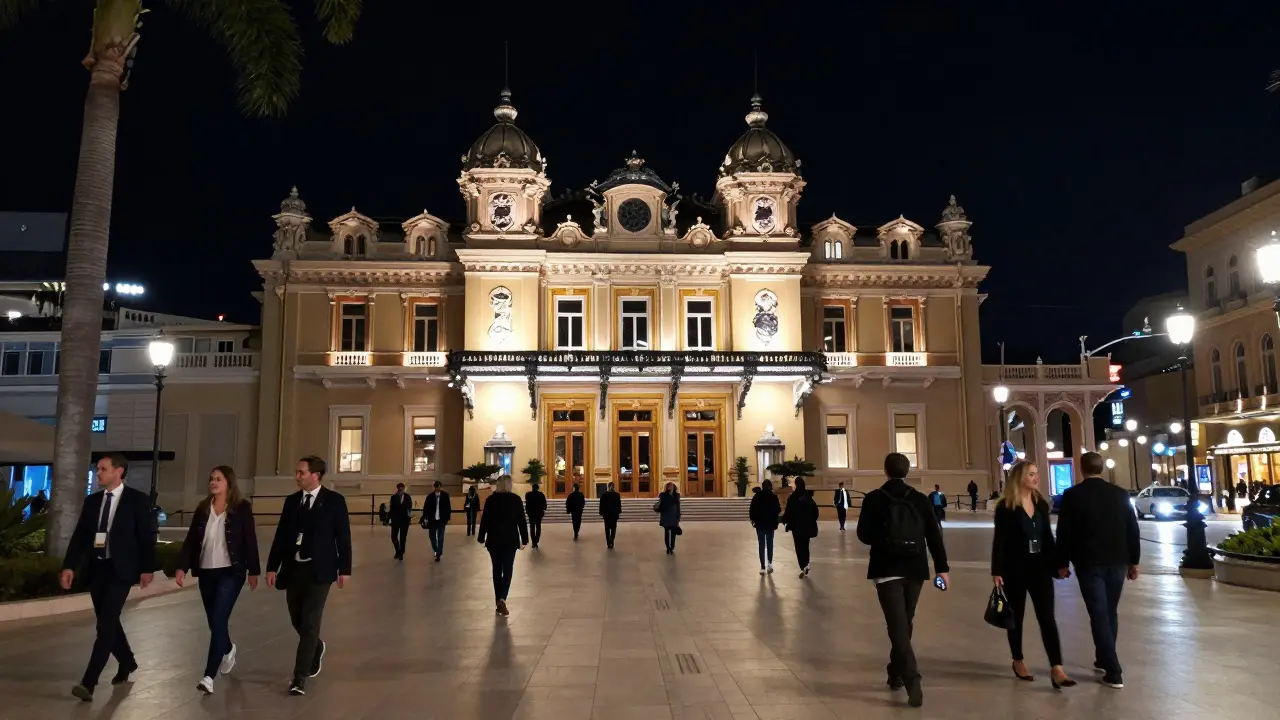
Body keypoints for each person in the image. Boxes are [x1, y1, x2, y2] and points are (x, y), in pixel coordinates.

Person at [856, 453, 949, 709]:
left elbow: (863, 535)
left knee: (898, 626)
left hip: (886, 569)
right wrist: (942, 569)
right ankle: (896, 672)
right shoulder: (919, 499)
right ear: (907, 471)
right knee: (904, 623)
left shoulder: (874, 498)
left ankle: (911, 678)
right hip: (915, 569)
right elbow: (934, 534)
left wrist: (884, 536)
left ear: (885, 470)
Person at [61, 453, 156, 702]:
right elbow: (80, 537)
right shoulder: (92, 502)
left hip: (121, 571)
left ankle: (88, 683)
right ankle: (127, 661)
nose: (98, 472)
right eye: (98, 468)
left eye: (103, 468)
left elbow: (147, 538)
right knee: (109, 622)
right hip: (97, 569)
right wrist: (69, 566)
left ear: (119, 471)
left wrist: (147, 568)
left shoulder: (137, 500)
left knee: (105, 626)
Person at [266, 456, 352, 696]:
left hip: (320, 571)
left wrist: (344, 570)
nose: (297, 477)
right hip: (293, 570)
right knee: (298, 619)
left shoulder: (334, 502)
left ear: (316, 475)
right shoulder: (292, 502)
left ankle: (299, 677)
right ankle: (317, 647)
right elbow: (281, 536)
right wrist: (272, 566)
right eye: (297, 472)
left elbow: (343, 538)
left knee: (310, 621)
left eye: (301, 472)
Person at [1055, 452, 1139, 690]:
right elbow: (1132, 529)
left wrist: (1062, 562)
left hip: (1089, 562)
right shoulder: (1120, 494)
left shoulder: (1073, 496)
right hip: (1117, 561)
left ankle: (1114, 671)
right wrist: (1133, 561)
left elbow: (1065, 532)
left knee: (1099, 613)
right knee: (1109, 611)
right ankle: (1104, 657)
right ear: (1101, 468)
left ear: (1081, 469)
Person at [175, 466, 261, 695]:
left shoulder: (241, 508)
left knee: (220, 619)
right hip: (206, 572)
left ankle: (208, 676)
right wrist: (182, 567)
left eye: (218, 479)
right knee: (215, 623)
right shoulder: (203, 508)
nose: (213, 482)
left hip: (231, 573)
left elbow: (249, 540)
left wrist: (254, 571)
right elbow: (191, 540)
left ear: (228, 483)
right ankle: (229, 649)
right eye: (211, 478)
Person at [991, 461, 1075, 690]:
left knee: (1047, 617)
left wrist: (1059, 564)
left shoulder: (1040, 504)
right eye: (1031, 474)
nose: (1036, 478)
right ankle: (1018, 660)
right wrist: (996, 571)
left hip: (1040, 567)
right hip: (1014, 569)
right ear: (1019, 477)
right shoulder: (1006, 506)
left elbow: (1047, 536)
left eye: (1037, 474)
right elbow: (1000, 540)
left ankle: (1057, 668)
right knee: (1015, 618)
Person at [477, 475, 529, 617]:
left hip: (494, 541)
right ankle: (502, 599)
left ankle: (498, 600)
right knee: (507, 570)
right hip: (509, 541)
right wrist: (525, 538)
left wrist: (481, 537)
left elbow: (485, 520)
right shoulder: (515, 500)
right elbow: (521, 521)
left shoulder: (490, 500)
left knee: (496, 570)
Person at [782, 478, 819, 578]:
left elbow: (788, 512)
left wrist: (785, 521)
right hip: (807, 526)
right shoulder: (808, 497)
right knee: (806, 546)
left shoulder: (793, 497)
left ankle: (802, 566)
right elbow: (815, 512)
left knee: (799, 547)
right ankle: (806, 564)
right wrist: (811, 520)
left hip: (796, 527)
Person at [750, 479, 782, 574]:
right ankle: (770, 563)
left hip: (760, 524)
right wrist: (776, 523)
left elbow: (752, 510)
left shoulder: (757, 496)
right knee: (770, 544)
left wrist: (753, 521)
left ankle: (762, 566)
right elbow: (777, 511)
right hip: (770, 524)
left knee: (761, 544)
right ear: (770, 486)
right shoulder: (773, 497)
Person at [421, 480, 451, 561]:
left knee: (441, 537)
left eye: (439, 487)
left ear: (441, 487)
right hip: (432, 520)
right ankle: (436, 549)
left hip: (441, 520)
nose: (437, 489)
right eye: (436, 487)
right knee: (432, 536)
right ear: (434, 487)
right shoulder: (430, 496)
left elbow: (448, 507)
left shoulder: (445, 495)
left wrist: (447, 517)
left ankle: (438, 553)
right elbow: (426, 508)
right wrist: (425, 518)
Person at [388, 483, 413, 560]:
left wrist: (409, 518)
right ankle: (397, 551)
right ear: (398, 489)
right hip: (395, 520)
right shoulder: (393, 497)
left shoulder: (407, 497)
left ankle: (401, 553)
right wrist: (388, 518)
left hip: (404, 520)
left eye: (402, 488)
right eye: (399, 488)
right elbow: (392, 508)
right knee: (393, 537)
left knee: (403, 537)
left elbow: (409, 507)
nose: (401, 490)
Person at [657, 482, 681, 554]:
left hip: (673, 516)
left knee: (673, 533)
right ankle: (668, 547)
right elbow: (661, 504)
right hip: (666, 516)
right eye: (669, 486)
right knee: (666, 532)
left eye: (671, 486)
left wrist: (678, 517)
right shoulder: (663, 495)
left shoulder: (676, 495)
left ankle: (672, 546)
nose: (670, 488)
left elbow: (678, 507)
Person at [599, 482, 622, 549]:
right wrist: (619, 512)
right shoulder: (617, 495)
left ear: (608, 487)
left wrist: (601, 512)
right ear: (614, 487)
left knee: (607, 529)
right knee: (613, 529)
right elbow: (618, 505)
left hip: (606, 515)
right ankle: (612, 541)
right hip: (614, 514)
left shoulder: (604, 495)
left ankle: (608, 543)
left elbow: (601, 505)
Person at [525, 483, 547, 549]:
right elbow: (544, 504)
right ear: (538, 488)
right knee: (538, 527)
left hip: (531, 513)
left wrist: (527, 511)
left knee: (532, 527)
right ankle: (536, 541)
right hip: (538, 513)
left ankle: (533, 542)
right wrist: (543, 509)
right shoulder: (541, 494)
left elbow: (527, 503)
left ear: (532, 488)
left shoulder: (528, 494)